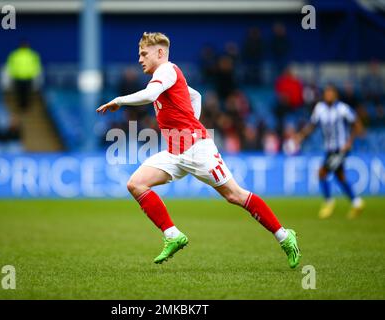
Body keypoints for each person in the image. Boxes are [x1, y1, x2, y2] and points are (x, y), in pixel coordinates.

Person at [97, 32, 301, 268]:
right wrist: (189, 120)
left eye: (144, 54)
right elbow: (196, 95)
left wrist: (119, 100)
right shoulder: (167, 76)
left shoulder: (166, 71)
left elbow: (151, 95)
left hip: (197, 150)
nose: (140, 59)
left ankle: (285, 236)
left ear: (160, 53)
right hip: (175, 151)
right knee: (136, 184)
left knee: (235, 195)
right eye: (139, 54)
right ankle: (173, 235)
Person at [294, 84, 365, 219]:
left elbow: (356, 123)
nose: (328, 96)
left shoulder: (343, 109)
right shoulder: (319, 109)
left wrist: (350, 142)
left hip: (341, 149)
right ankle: (357, 203)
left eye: (330, 93)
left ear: (335, 95)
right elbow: (312, 126)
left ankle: (328, 202)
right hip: (329, 149)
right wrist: (300, 136)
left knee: (322, 173)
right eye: (326, 93)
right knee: (340, 176)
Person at [6, 40, 42, 111]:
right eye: (23, 45)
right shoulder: (15, 54)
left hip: (28, 77)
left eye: (25, 44)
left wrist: (33, 73)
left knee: (27, 93)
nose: (24, 46)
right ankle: (20, 107)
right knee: (19, 93)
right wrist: (13, 73)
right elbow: (10, 65)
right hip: (18, 77)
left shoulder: (32, 54)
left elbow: (37, 65)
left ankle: (27, 107)